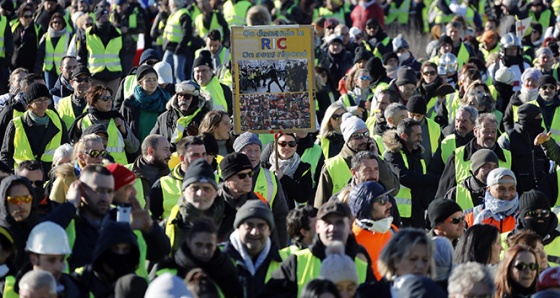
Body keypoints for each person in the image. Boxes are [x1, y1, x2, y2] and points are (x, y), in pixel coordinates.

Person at [45, 165, 169, 272]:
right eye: (99, 191)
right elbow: (43, 233)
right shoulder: (68, 220)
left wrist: (150, 229)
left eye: (109, 192)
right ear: (81, 190)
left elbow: (160, 254)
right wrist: (71, 205)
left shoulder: (123, 219)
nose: (105, 197)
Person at [261, 200, 375, 297]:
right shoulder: (296, 262)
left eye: (339, 223)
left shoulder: (362, 265)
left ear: (350, 227)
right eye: (327, 223)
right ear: (318, 227)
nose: (332, 228)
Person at [315, 114, 399, 208]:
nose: (363, 140)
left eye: (366, 135)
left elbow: (393, 190)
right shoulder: (331, 167)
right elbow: (321, 206)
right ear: (347, 139)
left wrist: (376, 159)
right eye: (357, 136)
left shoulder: (378, 160)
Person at [150, 218, 242, 297]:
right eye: (199, 245)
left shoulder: (228, 270)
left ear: (216, 245)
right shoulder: (167, 271)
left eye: (209, 246)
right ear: (189, 242)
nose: (204, 251)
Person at [436, 113, 511, 198]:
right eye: (486, 131)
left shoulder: (507, 156)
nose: (490, 135)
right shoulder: (458, 156)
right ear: (475, 131)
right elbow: (444, 192)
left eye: (493, 131)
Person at [232, 134, 289, 245]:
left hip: (264, 238)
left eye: (257, 150)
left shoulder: (271, 178)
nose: (253, 155)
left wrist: (280, 244)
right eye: (248, 150)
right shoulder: (226, 177)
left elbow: (281, 215)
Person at [0, 83, 68, 175]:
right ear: (29, 104)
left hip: (50, 176)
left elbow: (65, 148)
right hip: (23, 176)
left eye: (46, 99)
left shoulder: (57, 121)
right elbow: (5, 154)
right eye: (38, 100)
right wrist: (11, 175)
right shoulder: (16, 124)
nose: (43, 103)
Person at [383, 118, 439, 227]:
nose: (420, 139)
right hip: (399, 214)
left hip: (417, 213)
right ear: (404, 136)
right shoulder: (391, 155)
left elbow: (420, 181)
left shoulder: (417, 154)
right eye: (417, 135)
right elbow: (405, 178)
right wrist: (436, 179)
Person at [220, 200, 283, 298]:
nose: (254, 232)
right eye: (249, 225)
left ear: (269, 231)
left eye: (261, 226)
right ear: (238, 228)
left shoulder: (285, 262)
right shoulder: (217, 258)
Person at [4, 221, 83, 297]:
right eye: (51, 260)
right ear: (33, 259)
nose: (58, 267)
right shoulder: (7, 289)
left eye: (62, 260)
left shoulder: (80, 291)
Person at [162, 158, 224, 253]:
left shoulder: (230, 222)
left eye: (207, 189)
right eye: (195, 188)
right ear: (184, 192)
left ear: (216, 193)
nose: (200, 193)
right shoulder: (169, 225)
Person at [73, 221, 148, 297]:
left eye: (126, 250)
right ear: (103, 250)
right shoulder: (82, 278)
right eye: (115, 248)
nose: (120, 254)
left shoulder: (134, 284)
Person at [69, 85, 139, 165]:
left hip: (118, 170)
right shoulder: (82, 122)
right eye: (105, 99)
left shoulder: (118, 119)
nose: (109, 101)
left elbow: (134, 148)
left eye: (111, 98)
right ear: (94, 101)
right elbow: (74, 151)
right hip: (93, 170)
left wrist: (125, 132)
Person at [348, 181, 397, 280]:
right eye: (382, 200)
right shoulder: (351, 240)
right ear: (366, 206)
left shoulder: (392, 230)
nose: (389, 205)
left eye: (387, 198)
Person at [499, 103, 549, 194]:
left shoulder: (542, 136)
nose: (540, 120)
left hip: (542, 190)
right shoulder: (508, 138)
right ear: (528, 118)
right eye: (537, 117)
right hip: (516, 191)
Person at [76, 6, 123, 94]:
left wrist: (124, 73)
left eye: (107, 16)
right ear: (97, 18)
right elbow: (81, 56)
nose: (106, 19)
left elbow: (123, 54)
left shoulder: (117, 33)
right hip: (95, 75)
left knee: (112, 102)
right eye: (103, 16)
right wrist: (83, 74)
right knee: (95, 102)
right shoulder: (87, 33)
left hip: (114, 75)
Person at [260, 133, 313, 208]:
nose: (287, 147)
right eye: (283, 144)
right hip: (266, 210)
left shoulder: (303, 168)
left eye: (291, 144)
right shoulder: (265, 165)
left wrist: (283, 178)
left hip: (289, 212)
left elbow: (303, 197)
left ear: (296, 147)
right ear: (276, 146)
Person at [510, 190, 560, 267]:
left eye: (544, 212)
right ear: (522, 216)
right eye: (532, 213)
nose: (540, 217)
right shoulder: (506, 241)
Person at [151, 80, 211, 145]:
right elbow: (151, 141)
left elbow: (213, 146)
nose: (182, 99)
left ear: (196, 99)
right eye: (180, 95)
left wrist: (198, 137)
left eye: (187, 96)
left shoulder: (207, 119)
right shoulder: (164, 117)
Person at [121, 65, 171, 141]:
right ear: (140, 83)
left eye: (155, 79)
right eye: (148, 80)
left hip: (159, 147)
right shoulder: (129, 103)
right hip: (135, 148)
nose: (152, 83)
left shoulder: (165, 100)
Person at [0, 176, 39, 269]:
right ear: (4, 203)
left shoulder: (42, 229)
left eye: (26, 199)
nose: (21, 205)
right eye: (14, 200)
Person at [465, 168, 519, 233]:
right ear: (488, 189)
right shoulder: (470, 216)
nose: (507, 194)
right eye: (501, 189)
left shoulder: (522, 215)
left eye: (511, 188)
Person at [126, 134, 171, 205]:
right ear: (151, 151)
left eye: (169, 149)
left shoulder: (173, 175)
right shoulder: (125, 172)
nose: (170, 154)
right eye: (165, 149)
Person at [35, 14, 73, 90]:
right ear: (51, 23)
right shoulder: (45, 36)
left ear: (63, 24)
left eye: (59, 22)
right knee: (50, 91)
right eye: (55, 22)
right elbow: (40, 54)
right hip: (49, 69)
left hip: (63, 69)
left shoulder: (68, 36)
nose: (57, 24)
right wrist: (37, 69)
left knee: (63, 90)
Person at [193, 50, 233, 115]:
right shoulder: (189, 91)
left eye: (204, 70)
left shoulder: (224, 89)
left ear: (211, 71)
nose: (200, 74)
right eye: (197, 71)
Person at [56, 64, 91, 129]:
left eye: (87, 80)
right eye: (79, 80)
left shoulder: (96, 102)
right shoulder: (62, 103)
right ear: (71, 83)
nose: (83, 83)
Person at [11, 4, 40, 72]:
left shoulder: (37, 28)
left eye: (30, 16)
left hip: (30, 65)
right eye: (26, 16)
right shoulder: (13, 27)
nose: (29, 19)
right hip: (15, 64)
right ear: (20, 17)